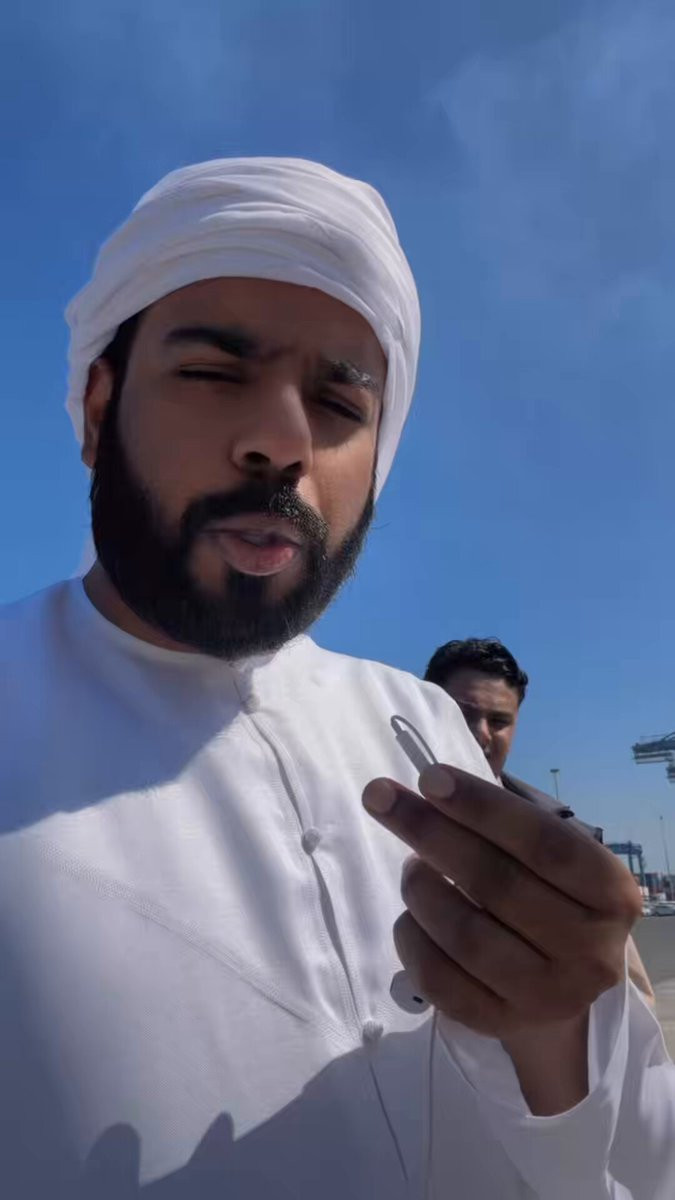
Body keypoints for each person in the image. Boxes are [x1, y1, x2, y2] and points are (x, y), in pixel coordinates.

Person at [0, 159, 672, 1199]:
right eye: (213, 372)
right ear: (97, 408)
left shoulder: (420, 722)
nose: (283, 442)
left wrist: (558, 1032)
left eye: (337, 401)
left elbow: (618, 1161)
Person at [424, 637, 656, 1007]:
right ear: (422, 708)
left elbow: (634, 995)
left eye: (499, 721)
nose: (481, 733)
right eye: (463, 715)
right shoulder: (368, 810)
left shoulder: (568, 840)